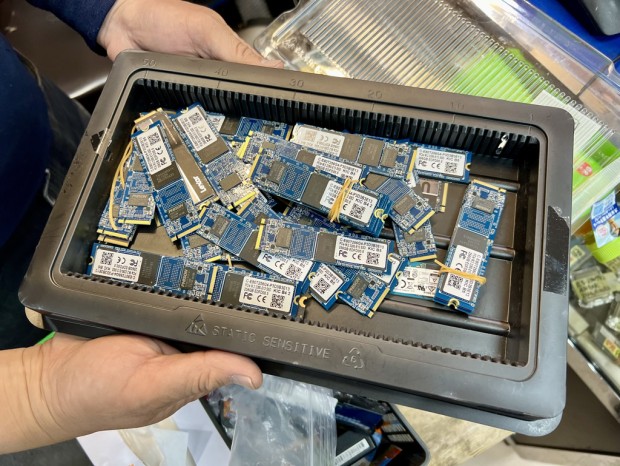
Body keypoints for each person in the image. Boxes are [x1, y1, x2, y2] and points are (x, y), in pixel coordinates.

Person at [0, 0, 279, 454]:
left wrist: (110, 11)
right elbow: (33, 387)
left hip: (42, 124)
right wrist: (36, 391)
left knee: (119, 165)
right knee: (40, 322)